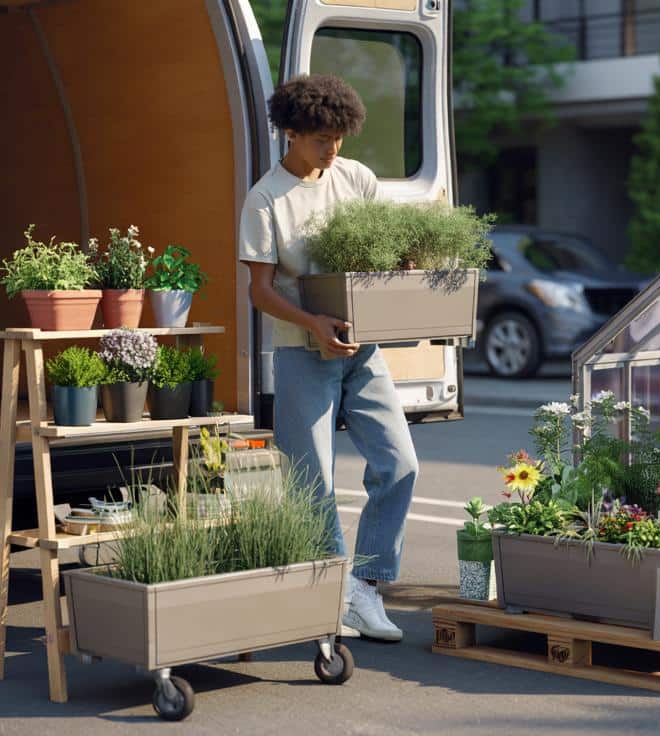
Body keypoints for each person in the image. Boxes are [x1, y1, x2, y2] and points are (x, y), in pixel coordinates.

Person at [238, 74, 417, 642]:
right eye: (320, 139)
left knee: (400, 463)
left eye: (339, 136)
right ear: (291, 133)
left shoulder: (355, 177)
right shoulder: (265, 198)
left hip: (363, 351)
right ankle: (332, 590)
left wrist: (403, 263)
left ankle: (365, 584)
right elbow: (259, 291)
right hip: (300, 353)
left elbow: (383, 248)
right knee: (312, 480)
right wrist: (312, 323)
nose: (332, 149)